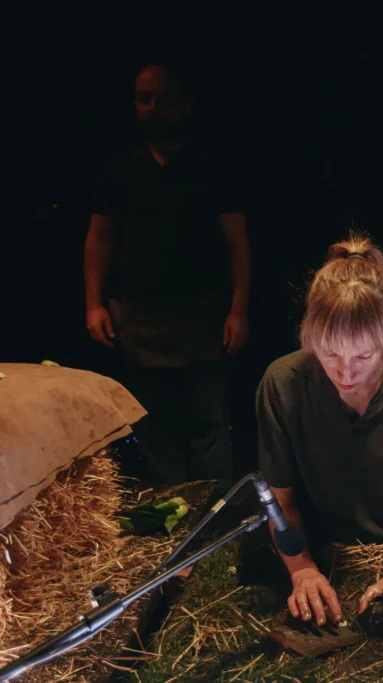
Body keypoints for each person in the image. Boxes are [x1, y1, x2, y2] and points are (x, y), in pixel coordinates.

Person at [256, 232, 383, 635]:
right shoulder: (281, 383)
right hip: (318, 542)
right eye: (330, 353)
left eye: (364, 356)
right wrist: (302, 570)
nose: (346, 373)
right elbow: (279, 500)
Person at [84, 64, 251, 485]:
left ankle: (213, 515)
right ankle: (170, 515)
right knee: (155, 433)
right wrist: (93, 304)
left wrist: (239, 310)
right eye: (143, 99)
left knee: (209, 429)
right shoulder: (118, 169)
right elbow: (99, 238)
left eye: (162, 99)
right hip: (140, 321)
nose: (152, 108)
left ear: (185, 104)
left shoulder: (210, 168)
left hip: (203, 320)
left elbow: (238, 244)